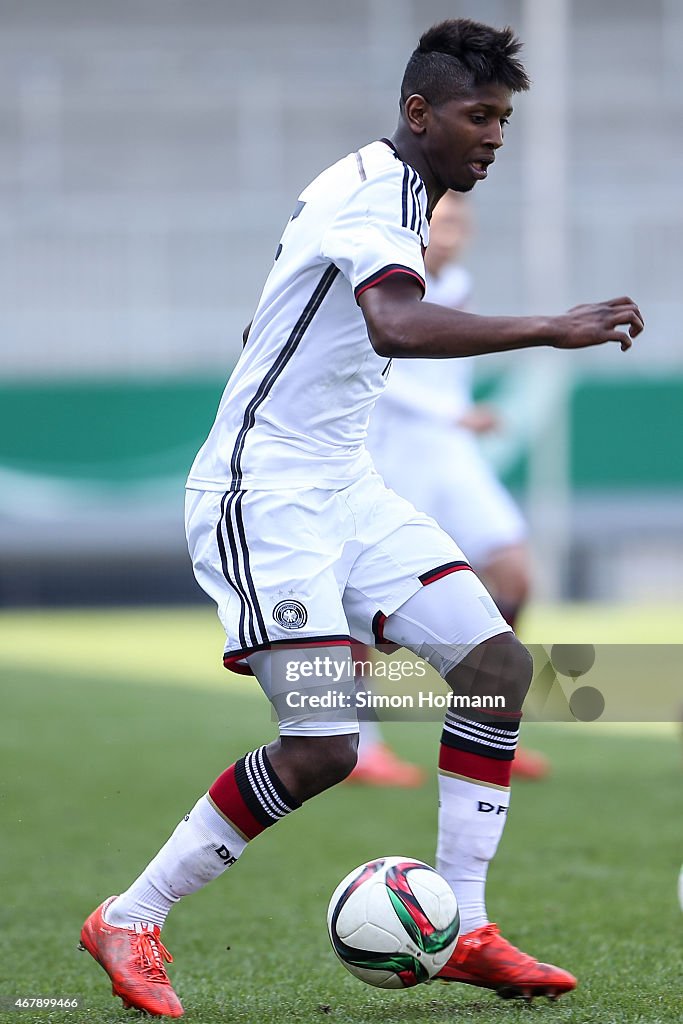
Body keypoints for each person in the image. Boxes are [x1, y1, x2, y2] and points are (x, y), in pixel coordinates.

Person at [79, 19, 643, 1017]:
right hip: (266, 496)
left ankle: (463, 922)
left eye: (504, 118)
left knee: (495, 666)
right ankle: (130, 915)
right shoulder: (376, 190)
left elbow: (288, 319)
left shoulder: (390, 189)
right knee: (323, 747)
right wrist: (550, 325)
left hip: (343, 486)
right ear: (418, 112)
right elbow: (392, 321)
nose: (495, 136)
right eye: (479, 115)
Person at [351, 191, 549, 785]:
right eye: (444, 219)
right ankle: (361, 746)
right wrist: (451, 414)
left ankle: (489, 727)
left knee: (513, 572)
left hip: (454, 457)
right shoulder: (390, 284)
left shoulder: (457, 280)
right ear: (417, 228)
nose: (456, 228)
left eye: (463, 218)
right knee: (357, 610)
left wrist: (456, 419)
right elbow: (377, 372)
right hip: (398, 457)